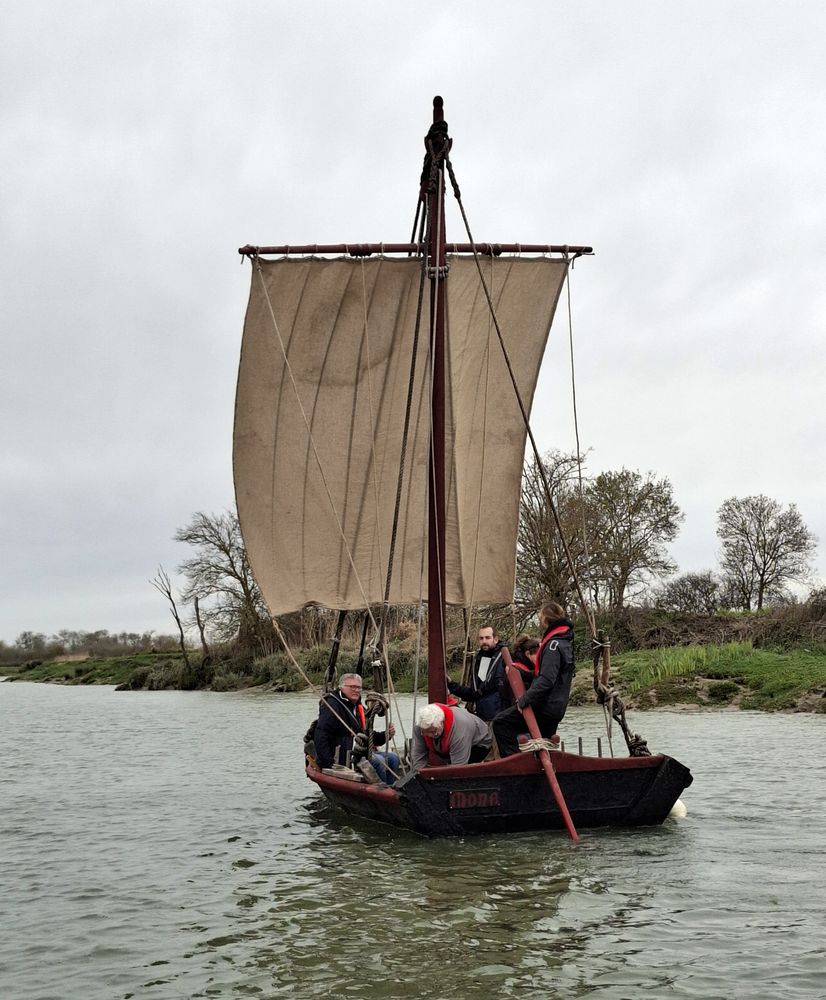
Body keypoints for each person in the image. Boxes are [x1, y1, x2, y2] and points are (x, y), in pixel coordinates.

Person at [493, 602, 575, 758]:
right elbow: (554, 675)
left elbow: (547, 680)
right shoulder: (565, 642)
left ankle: (516, 763)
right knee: (543, 745)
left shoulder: (552, 645)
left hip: (545, 707)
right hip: (558, 706)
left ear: (544, 619)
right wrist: (525, 674)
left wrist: (524, 700)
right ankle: (537, 768)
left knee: (501, 723)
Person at [313, 672, 400, 784]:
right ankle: (382, 791)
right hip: (344, 756)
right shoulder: (332, 705)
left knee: (393, 758)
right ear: (341, 687)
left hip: (361, 752)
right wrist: (327, 763)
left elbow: (365, 734)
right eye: (352, 687)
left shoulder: (357, 707)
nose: (356, 690)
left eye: (359, 687)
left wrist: (385, 735)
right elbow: (321, 734)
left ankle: (391, 788)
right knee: (380, 761)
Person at [447, 625, 506, 721]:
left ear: (495, 639)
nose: (484, 641)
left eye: (487, 638)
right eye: (481, 638)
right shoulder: (479, 660)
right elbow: (474, 694)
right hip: (482, 717)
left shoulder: (504, 658)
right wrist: (451, 684)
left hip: (499, 718)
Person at [411, 702, 492, 769]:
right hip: (447, 747)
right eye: (425, 732)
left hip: (479, 744)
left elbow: (459, 767)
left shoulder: (460, 728)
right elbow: (419, 754)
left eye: (433, 731)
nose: (429, 735)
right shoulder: (419, 726)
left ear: (441, 723)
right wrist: (420, 774)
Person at [499, 634, 540, 709]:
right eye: (539, 656)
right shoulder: (516, 670)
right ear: (527, 654)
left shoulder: (524, 667)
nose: (541, 659)